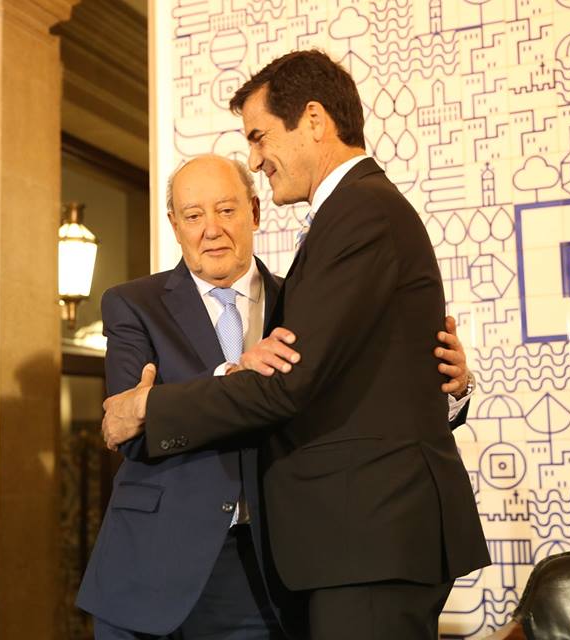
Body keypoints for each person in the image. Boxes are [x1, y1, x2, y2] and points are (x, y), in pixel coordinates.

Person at [101, 50, 491, 640]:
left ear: (312, 120)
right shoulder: (135, 303)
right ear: (175, 224)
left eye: (259, 137)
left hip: (357, 540)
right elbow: (363, 374)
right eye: (193, 215)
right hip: (216, 563)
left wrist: (149, 408)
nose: (257, 159)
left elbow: (291, 384)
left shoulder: (357, 214)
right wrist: (438, 382)